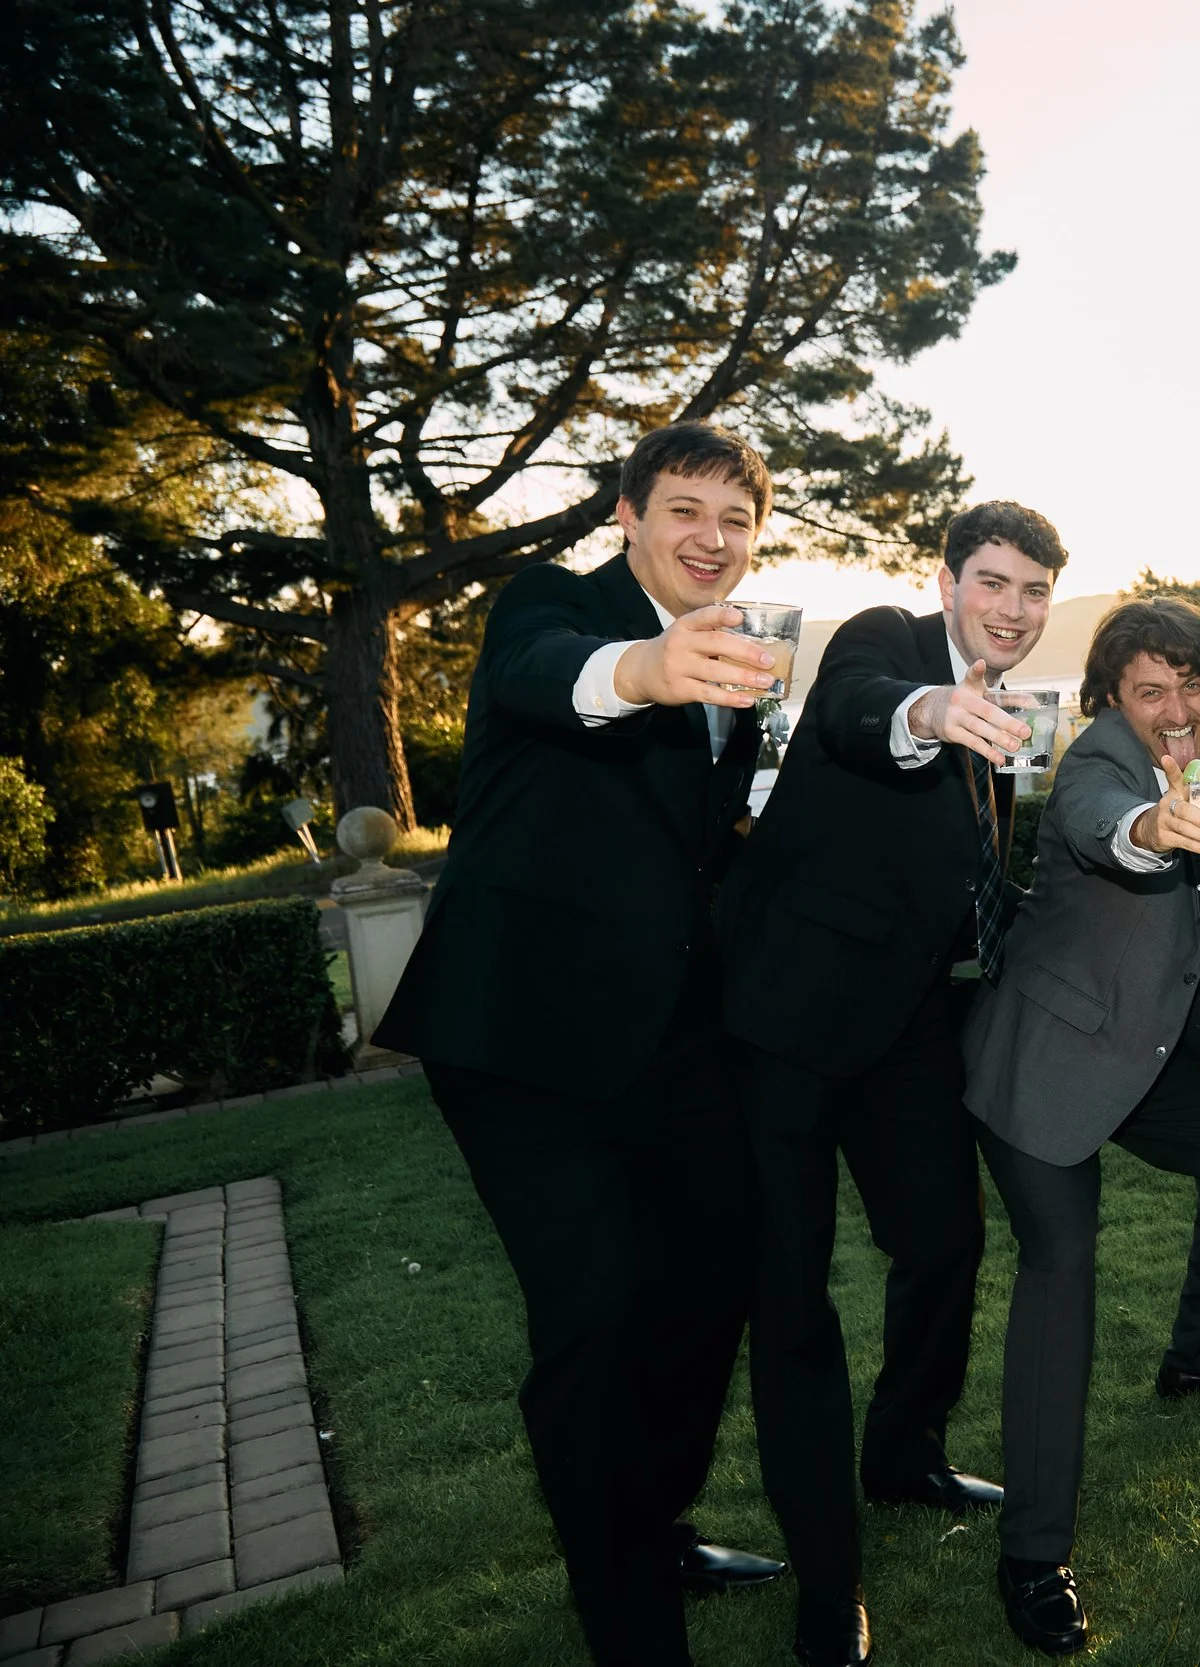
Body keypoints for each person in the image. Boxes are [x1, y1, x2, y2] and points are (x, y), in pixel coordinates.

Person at [376, 421, 787, 1667]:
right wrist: (646, 671)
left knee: (717, 1283)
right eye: (684, 512)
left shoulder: (742, 661)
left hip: (676, 1046)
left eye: (735, 519)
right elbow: (546, 674)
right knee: (595, 1316)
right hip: (522, 1046)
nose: (710, 540)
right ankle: (626, 1615)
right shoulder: (552, 606)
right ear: (629, 513)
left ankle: (648, 1518)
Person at [711, 501, 1066, 1666]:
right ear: (949, 580)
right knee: (793, 1295)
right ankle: (828, 1581)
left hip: (908, 1025)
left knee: (946, 1243)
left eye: (1032, 591)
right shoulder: (889, 646)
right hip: (784, 1023)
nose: (1011, 609)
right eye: (993, 583)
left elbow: (957, 872)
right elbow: (869, 715)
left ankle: (902, 1450)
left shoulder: (1011, 713)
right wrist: (926, 711)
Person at [962, 598, 1200, 1656]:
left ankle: (1198, 1353)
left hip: (1152, 1058)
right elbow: (1106, 828)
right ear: (1114, 696)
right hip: (1047, 1061)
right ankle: (1032, 1550)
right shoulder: (1095, 760)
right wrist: (1156, 826)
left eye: (1192, 686)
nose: (1176, 710)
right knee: (1061, 1267)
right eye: (1151, 689)